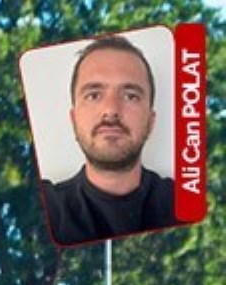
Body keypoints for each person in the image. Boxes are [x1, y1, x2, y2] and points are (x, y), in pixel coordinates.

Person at [40, 34, 177, 245]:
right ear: (73, 119)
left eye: (130, 96)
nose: (111, 110)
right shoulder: (46, 206)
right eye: (94, 95)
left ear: (151, 121)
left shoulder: (183, 203)